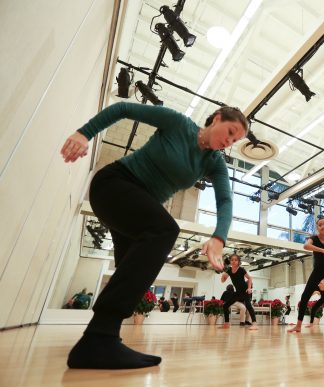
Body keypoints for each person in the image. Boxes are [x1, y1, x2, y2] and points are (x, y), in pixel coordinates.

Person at [61, 102, 248, 369]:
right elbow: (123, 109)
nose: (229, 142)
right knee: (166, 229)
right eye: (230, 132)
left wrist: (219, 237)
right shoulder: (178, 124)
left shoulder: (214, 162)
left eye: (235, 140)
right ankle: (100, 339)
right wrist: (84, 133)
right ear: (216, 119)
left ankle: (99, 338)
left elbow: (225, 201)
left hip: (136, 207)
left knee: (129, 266)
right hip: (115, 185)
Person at [220, 254, 258, 330]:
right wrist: (223, 275)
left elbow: (250, 278)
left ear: (238, 262)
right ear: (230, 261)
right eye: (232, 260)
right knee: (225, 306)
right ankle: (226, 324)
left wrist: (249, 288)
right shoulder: (229, 270)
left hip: (245, 291)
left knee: (248, 306)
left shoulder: (241, 269)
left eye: (235, 260)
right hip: (237, 293)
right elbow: (223, 281)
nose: (233, 261)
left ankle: (255, 324)